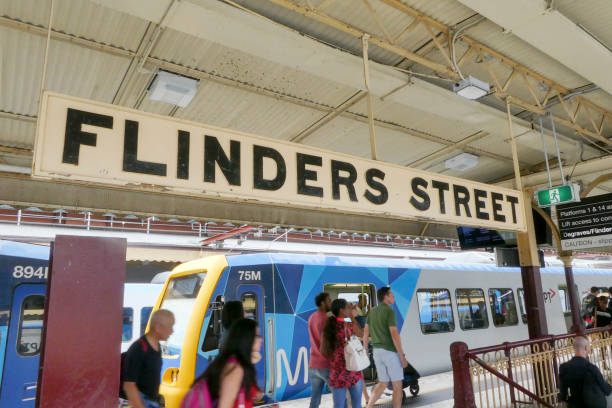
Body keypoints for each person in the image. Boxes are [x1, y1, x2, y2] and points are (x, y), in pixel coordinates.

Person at [181, 318, 263, 408]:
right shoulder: (235, 369)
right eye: (257, 336)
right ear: (246, 338)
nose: (261, 340)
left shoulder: (233, 363)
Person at [363, 287, 408, 408]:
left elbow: (366, 333)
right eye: (391, 295)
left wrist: (366, 350)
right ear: (386, 297)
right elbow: (394, 334)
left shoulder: (372, 312)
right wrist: (401, 356)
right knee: (397, 386)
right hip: (390, 353)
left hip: (377, 353)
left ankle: (369, 406)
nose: (393, 297)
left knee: (383, 383)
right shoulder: (389, 312)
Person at [123, 309, 175, 408]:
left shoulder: (157, 346)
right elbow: (129, 385)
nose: (172, 331)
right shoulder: (138, 348)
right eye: (170, 327)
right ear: (158, 327)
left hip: (152, 401)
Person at [321, 299, 364, 408]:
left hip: (337, 373)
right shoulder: (348, 324)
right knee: (356, 405)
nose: (351, 309)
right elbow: (361, 334)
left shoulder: (329, 326)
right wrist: (353, 318)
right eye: (349, 307)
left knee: (339, 405)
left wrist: (336, 356)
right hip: (353, 371)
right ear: (342, 311)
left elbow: (324, 351)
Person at [559, 336, 612, 407]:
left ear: (574, 348)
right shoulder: (591, 368)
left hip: (575, 405)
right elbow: (607, 390)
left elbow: (563, 395)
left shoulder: (564, 367)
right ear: (586, 348)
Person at [308, 292, 332, 408]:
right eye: (328, 300)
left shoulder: (312, 317)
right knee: (341, 396)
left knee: (315, 400)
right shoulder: (326, 319)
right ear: (322, 303)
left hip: (313, 364)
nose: (330, 303)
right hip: (326, 364)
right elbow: (328, 342)